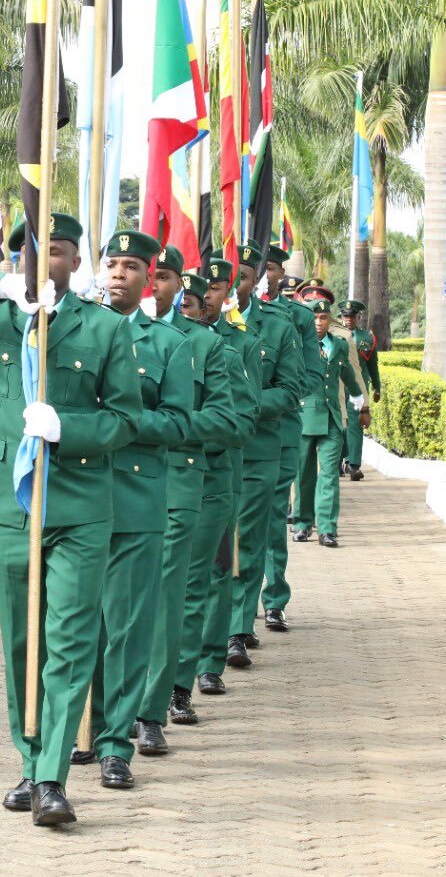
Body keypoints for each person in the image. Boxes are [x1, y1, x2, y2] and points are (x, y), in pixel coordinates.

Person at [0, 212, 141, 828]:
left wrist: (69, 427)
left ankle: (51, 778)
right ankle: (30, 755)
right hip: (9, 503)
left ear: (76, 262)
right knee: (21, 641)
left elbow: (125, 419)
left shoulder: (104, 327)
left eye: (57, 251)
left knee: (68, 641)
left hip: (79, 504)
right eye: (30, 253)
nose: (42, 262)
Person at [68, 231, 192, 791]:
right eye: (112, 264)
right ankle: (81, 730)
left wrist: (121, 421)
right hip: (77, 494)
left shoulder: (168, 344)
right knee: (79, 624)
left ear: (150, 279)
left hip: (137, 499)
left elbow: (181, 422)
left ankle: (117, 744)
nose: (119, 273)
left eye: (131, 267)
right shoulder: (72, 328)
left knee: (127, 627)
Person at [139, 258, 253, 743]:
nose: (155, 286)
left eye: (165, 278)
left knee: (183, 592)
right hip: (127, 482)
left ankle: (170, 692)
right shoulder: (115, 334)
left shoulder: (207, 345)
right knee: (128, 596)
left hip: (195, 481)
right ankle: (114, 709)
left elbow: (235, 421)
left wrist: (162, 428)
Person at [176, 259, 260, 715]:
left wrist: (181, 432)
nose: (200, 300)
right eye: (190, 295)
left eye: (207, 292)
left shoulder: (228, 350)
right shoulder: (148, 344)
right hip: (162, 481)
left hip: (213, 476)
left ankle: (208, 662)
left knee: (212, 572)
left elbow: (242, 421)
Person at [221, 241, 305, 675]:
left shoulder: (276, 326)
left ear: (256, 282)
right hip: (207, 450)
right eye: (225, 279)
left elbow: (291, 389)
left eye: (243, 278)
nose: (233, 286)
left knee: (248, 536)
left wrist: (246, 405)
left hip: (257, 448)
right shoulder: (199, 323)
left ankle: (236, 628)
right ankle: (211, 627)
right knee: (211, 541)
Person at [257, 245, 319, 636]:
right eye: (256, 267)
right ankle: (236, 610)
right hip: (228, 436)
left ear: (281, 274)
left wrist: (279, 393)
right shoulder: (222, 313)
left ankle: (274, 599)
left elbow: (311, 374)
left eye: (270, 268)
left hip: (278, 430)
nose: (264, 275)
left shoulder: (298, 317)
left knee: (272, 516)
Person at [295, 292, 366, 547]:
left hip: (332, 417)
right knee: (304, 475)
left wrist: (358, 397)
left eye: (324, 317)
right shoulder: (298, 346)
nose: (319, 322)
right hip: (304, 417)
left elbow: (346, 372)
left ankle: (327, 528)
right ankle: (303, 524)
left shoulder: (339, 344)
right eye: (314, 318)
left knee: (329, 476)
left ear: (330, 320)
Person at [339, 300, 381, 480]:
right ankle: (337, 461)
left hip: (358, 387)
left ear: (358, 317)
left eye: (352, 316)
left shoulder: (367, 338)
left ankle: (353, 465)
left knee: (356, 425)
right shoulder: (332, 335)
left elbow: (373, 366)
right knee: (340, 424)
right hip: (338, 387)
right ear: (341, 317)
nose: (349, 319)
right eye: (345, 316)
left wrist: (377, 387)